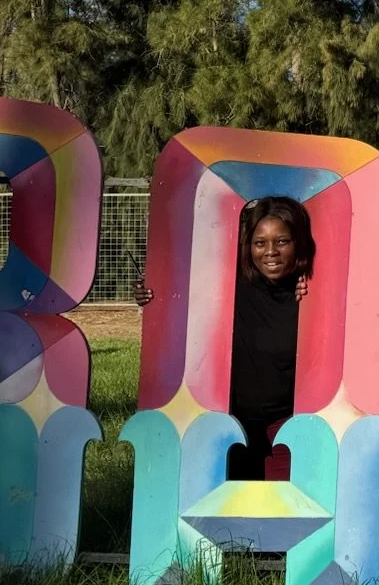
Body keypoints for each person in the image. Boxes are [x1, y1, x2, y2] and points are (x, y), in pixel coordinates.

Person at [134, 195, 316, 482]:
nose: (270, 251)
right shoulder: (230, 284)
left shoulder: (313, 293)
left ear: (298, 244)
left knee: (282, 512)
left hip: (289, 424)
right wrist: (154, 291)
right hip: (230, 420)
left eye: (282, 241)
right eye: (260, 243)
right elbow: (182, 283)